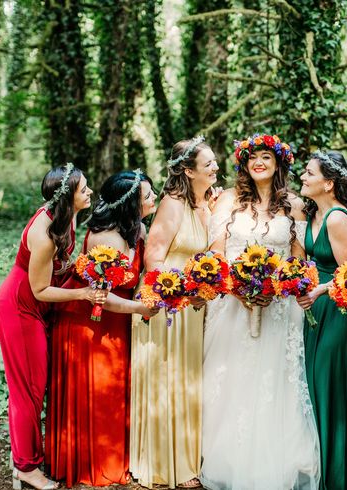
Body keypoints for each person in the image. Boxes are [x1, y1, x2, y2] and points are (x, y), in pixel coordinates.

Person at [200, 134, 320, 489]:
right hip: (232, 306)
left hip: (279, 308)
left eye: (266, 156)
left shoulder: (295, 206)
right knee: (232, 378)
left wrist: (278, 287)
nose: (258, 162)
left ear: (278, 163)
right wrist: (238, 289)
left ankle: (276, 464)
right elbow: (216, 255)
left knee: (274, 381)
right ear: (243, 163)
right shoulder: (228, 200)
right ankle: (226, 463)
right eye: (252, 157)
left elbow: (299, 261)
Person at [45, 169, 159, 487]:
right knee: (97, 389)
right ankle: (91, 463)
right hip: (87, 320)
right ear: (129, 203)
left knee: (113, 390)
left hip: (118, 319)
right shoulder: (105, 238)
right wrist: (140, 308)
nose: (154, 199)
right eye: (147, 196)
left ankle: (113, 457)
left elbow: (142, 275)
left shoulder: (137, 227)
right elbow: (101, 297)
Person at [0, 163, 106, 490]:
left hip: (38, 304)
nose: (88, 192)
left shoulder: (65, 214)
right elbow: (40, 288)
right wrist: (83, 292)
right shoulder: (42, 235)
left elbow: (59, 265)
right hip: (20, 308)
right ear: (68, 196)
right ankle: (26, 468)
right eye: (83, 189)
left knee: (34, 386)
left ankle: (27, 455)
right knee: (27, 390)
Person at [129, 137, 218, 489]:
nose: (215, 167)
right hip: (168, 301)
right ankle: (168, 465)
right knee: (169, 380)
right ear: (187, 170)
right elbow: (154, 259)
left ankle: (189, 457)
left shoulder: (203, 204)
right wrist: (187, 286)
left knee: (188, 382)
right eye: (208, 163)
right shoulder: (173, 204)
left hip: (193, 305)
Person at [297, 150, 347, 490]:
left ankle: (339, 477)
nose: (303, 177)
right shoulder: (312, 215)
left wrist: (319, 290)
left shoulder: (338, 219)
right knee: (311, 385)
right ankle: (317, 470)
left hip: (339, 312)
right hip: (314, 309)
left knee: (328, 385)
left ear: (329, 182)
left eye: (309, 173)